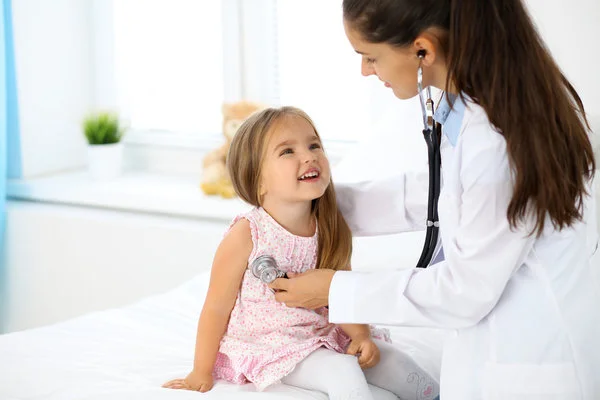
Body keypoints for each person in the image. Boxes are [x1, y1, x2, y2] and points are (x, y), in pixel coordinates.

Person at [268, 1, 600, 399]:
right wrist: (310, 206)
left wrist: (336, 290)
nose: (365, 71)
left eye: (371, 57)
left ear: (423, 49)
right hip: (499, 350)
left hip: (532, 370)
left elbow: (465, 291)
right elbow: (440, 193)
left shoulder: (499, 145)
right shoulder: (473, 105)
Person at [162, 106, 439, 400]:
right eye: (287, 152)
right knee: (342, 372)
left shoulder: (330, 224)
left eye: (313, 145)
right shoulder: (247, 234)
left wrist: (361, 336)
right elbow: (216, 307)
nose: (308, 156)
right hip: (273, 343)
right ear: (257, 179)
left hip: (324, 332)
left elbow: (340, 291)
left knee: (399, 365)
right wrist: (200, 371)